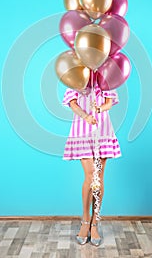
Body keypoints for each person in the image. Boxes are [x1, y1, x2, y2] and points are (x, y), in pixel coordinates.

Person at [62, 78, 122, 246]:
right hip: (82, 130)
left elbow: (109, 102)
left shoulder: (107, 76)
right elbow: (72, 103)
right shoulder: (77, 73)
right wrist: (86, 116)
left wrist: (99, 108)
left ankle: (95, 222)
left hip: (102, 130)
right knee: (90, 175)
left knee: (99, 177)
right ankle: (85, 220)